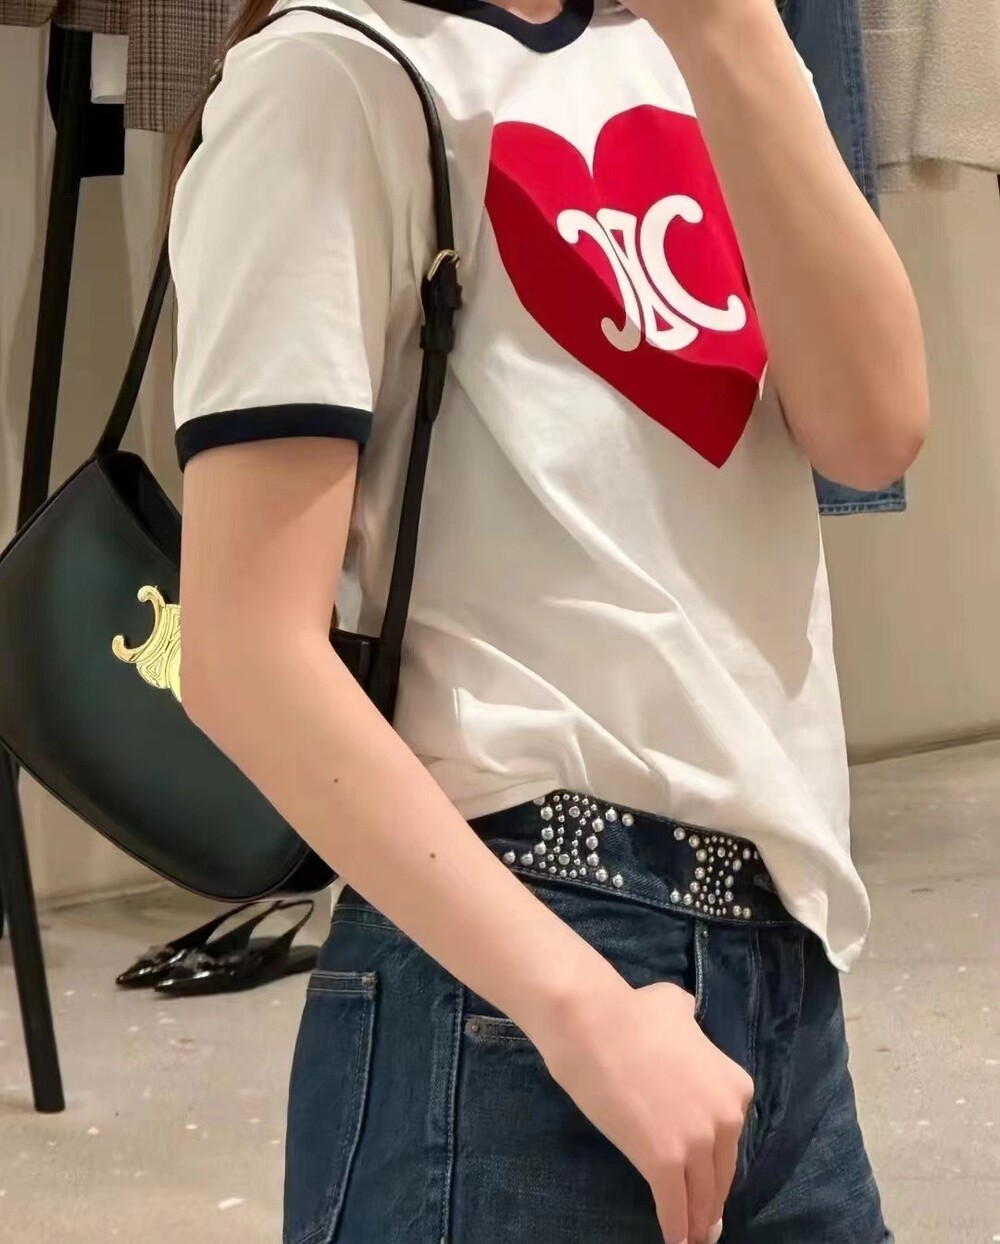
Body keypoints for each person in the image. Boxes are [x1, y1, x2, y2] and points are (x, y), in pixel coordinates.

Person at [167, 0, 928, 1239]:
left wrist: (734, 39)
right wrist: (581, 1009)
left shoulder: (697, 52)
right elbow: (243, 653)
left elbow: (873, 426)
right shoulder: (329, 77)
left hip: (783, 962)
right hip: (514, 981)